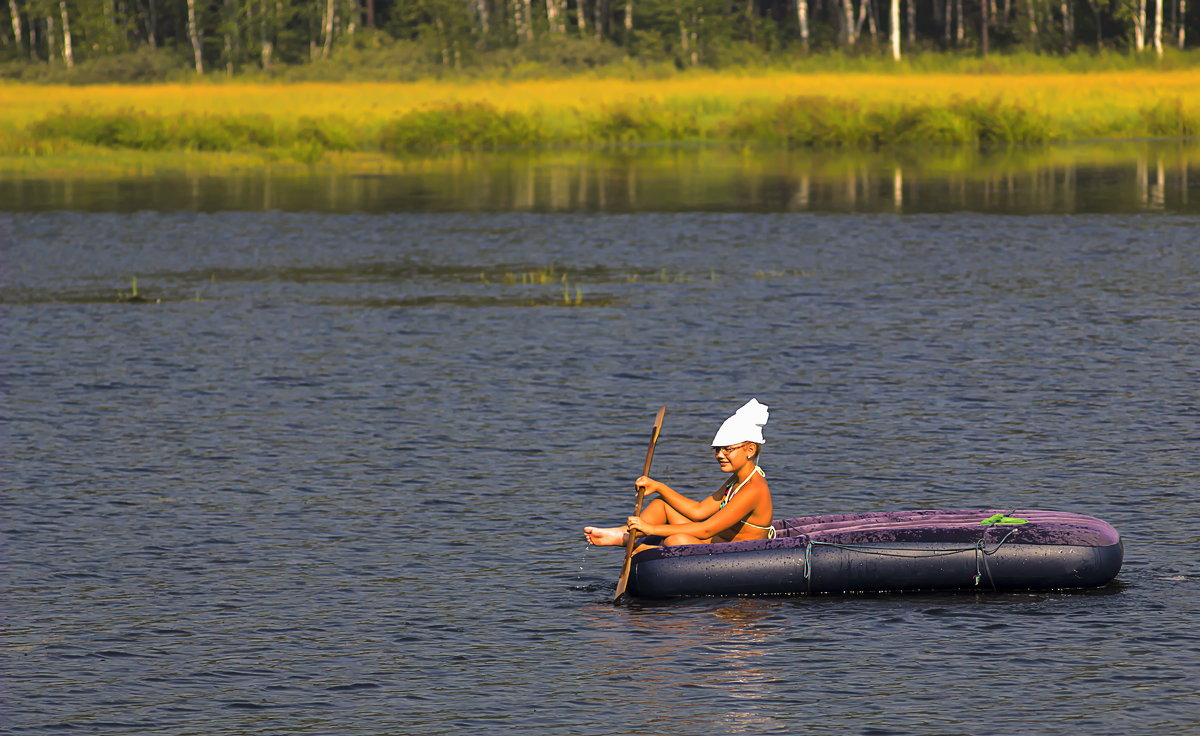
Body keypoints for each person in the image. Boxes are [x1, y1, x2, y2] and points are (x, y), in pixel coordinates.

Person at [584, 398, 775, 549]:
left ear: (750, 450)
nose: (719, 455)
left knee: (677, 540)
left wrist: (652, 529)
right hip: (716, 542)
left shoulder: (754, 488)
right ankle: (622, 534)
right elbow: (699, 511)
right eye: (716, 450)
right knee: (661, 505)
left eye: (727, 449)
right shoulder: (736, 481)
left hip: (733, 553)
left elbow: (706, 528)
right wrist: (659, 487)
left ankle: (636, 547)